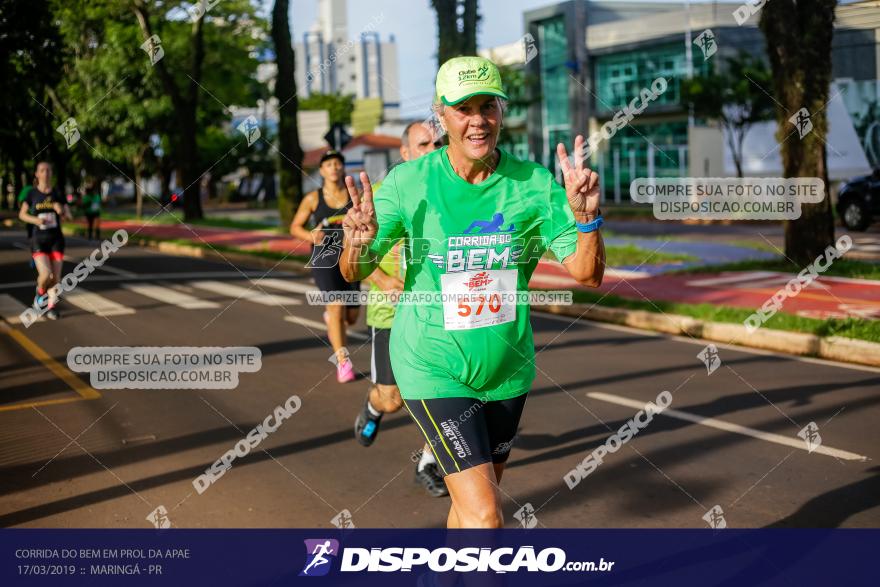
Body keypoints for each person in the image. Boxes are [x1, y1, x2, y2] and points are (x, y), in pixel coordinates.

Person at [340, 56, 605, 528]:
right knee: (486, 516)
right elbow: (351, 269)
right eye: (463, 109)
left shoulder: (534, 184)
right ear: (440, 116)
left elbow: (587, 274)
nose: (478, 120)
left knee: (468, 508)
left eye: (488, 106)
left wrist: (586, 220)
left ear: (501, 112)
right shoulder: (409, 183)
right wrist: (356, 242)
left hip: (507, 369)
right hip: (431, 363)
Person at [354, 121, 449, 498]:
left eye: (438, 143)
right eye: (423, 144)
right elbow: (354, 255)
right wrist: (382, 280)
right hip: (390, 314)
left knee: (446, 394)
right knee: (393, 398)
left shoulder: (452, 192)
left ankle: (428, 463)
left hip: (438, 312)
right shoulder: (379, 194)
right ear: (405, 153)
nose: (433, 149)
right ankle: (374, 407)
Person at [290, 150, 361, 383]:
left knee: (351, 316)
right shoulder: (313, 198)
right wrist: (312, 235)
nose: (334, 168)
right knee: (337, 307)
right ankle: (343, 362)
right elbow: (295, 227)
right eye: (329, 164)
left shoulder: (355, 195)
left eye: (338, 164)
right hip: (324, 258)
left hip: (351, 258)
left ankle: (332, 317)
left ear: (343, 169)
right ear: (322, 170)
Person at [18, 162, 72, 320]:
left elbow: (69, 216)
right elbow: (22, 215)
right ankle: (40, 293)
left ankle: (51, 307)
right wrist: (35, 220)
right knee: (45, 275)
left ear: (52, 173)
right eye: (42, 170)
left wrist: (61, 210)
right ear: (37, 174)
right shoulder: (31, 193)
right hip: (38, 239)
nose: (46, 173)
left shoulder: (58, 193)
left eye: (48, 170)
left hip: (56, 239)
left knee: (55, 278)